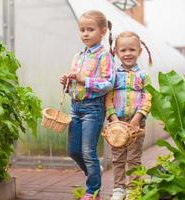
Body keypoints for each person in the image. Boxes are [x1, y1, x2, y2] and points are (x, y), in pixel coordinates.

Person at [60, 10, 115, 200]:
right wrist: (67, 83)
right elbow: (75, 84)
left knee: (87, 151)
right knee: (73, 150)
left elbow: (108, 83)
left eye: (90, 29)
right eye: (82, 29)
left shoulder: (104, 56)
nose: (85, 33)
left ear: (102, 32)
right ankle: (94, 172)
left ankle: (93, 191)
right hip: (76, 107)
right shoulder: (78, 56)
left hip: (93, 108)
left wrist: (85, 80)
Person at [105, 31, 152, 200]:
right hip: (117, 124)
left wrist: (137, 118)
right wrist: (113, 119)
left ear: (139, 51)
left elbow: (148, 98)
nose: (127, 54)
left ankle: (133, 188)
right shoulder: (113, 75)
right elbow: (108, 98)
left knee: (133, 157)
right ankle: (119, 188)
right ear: (116, 52)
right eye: (123, 50)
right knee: (118, 157)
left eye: (132, 50)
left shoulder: (143, 75)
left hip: (136, 125)